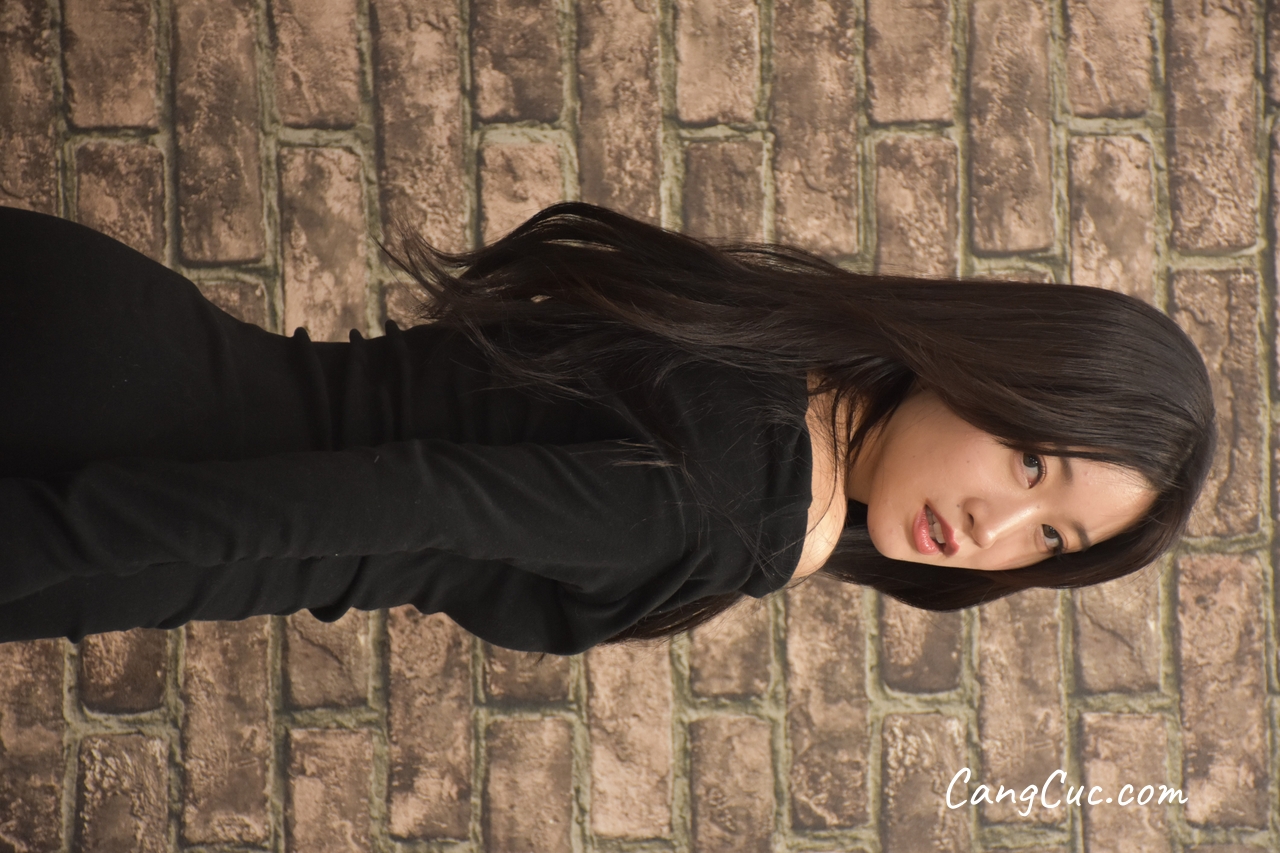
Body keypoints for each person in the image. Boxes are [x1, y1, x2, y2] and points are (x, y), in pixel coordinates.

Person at [0, 202, 1215, 653]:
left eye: (1049, 539)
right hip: (106, 466)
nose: (993, 527)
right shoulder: (746, 502)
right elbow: (404, 497)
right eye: (1029, 458)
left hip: (98, 335)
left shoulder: (774, 357)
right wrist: (48, 540)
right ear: (988, 367)